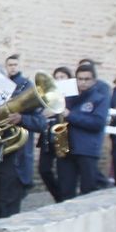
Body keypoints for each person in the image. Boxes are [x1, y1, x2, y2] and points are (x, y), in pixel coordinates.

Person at [0, 66, 45, 219]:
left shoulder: (21, 99)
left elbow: (41, 124)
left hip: (13, 162)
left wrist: (22, 119)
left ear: (2, 80)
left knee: (9, 212)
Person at [60, 62, 111, 200]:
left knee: (88, 189)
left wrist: (70, 115)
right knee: (66, 190)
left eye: (87, 79)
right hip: (66, 147)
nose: (83, 82)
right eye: (80, 79)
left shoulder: (99, 98)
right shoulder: (69, 97)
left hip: (86, 149)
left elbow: (97, 123)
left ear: (94, 80)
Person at [37, 67, 74, 203]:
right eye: (56, 77)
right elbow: (40, 112)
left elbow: (71, 113)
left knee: (63, 171)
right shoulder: (49, 96)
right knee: (44, 169)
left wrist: (58, 111)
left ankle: (66, 197)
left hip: (64, 136)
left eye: (62, 77)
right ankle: (59, 197)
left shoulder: (72, 96)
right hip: (48, 136)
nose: (59, 80)